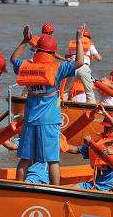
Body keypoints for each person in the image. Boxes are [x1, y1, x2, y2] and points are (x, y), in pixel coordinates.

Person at [11, 25, 84, 185]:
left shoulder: (26, 67)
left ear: (36, 50)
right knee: (52, 160)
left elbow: (13, 59)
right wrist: (79, 40)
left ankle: (18, 187)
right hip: (49, 120)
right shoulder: (57, 68)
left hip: (30, 120)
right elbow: (79, 62)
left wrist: (25, 40)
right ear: (53, 52)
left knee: (24, 158)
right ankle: (55, 190)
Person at [65, 107, 113, 190]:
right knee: (72, 189)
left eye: (109, 127)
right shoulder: (98, 142)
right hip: (94, 183)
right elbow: (76, 150)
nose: (106, 129)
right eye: (105, 127)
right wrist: (60, 144)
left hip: (111, 187)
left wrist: (105, 113)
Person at [73, 27, 102, 103]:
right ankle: (91, 105)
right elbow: (98, 58)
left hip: (72, 66)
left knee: (67, 88)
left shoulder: (74, 43)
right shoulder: (90, 45)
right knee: (89, 90)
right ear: (89, 38)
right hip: (83, 66)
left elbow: (68, 56)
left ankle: (63, 102)